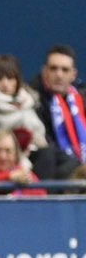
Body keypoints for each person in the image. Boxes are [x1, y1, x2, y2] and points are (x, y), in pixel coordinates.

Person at [29, 44, 86, 179]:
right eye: (53, 69)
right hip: (52, 167)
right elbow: (45, 143)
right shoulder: (31, 99)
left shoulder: (79, 98)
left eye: (65, 70)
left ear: (73, 75)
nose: (59, 75)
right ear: (44, 71)